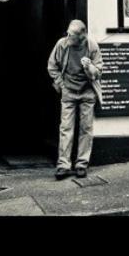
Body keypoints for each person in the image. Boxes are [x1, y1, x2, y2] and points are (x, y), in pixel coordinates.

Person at [47, 19, 103, 180]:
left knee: (86, 128)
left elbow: (98, 73)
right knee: (66, 128)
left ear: (82, 36)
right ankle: (63, 165)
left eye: (71, 35)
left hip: (87, 92)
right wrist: (61, 84)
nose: (68, 37)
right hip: (69, 92)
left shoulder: (91, 46)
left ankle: (81, 164)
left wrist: (89, 67)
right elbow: (52, 66)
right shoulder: (62, 44)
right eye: (68, 33)